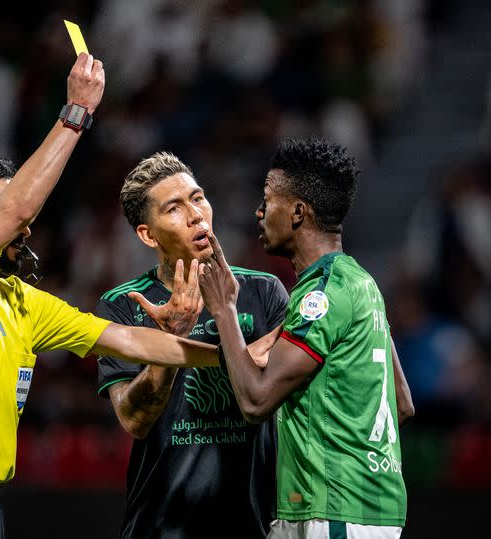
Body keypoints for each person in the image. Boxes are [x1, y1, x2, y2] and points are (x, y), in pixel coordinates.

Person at [0, 54, 227, 539]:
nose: (29, 225)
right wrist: (76, 112)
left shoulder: (22, 302)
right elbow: (19, 210)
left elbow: (130, 343)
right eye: (7, 208)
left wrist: (237, 359)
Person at [198, 138, 414, 539]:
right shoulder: (360, 282)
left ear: (298, 212)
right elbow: (401, 400)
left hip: (334, 509)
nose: (259, 212)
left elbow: (256, 400)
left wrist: (224, 311)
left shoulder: (323, 294)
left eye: (267, 200)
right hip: (352, 506)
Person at [95, 152, 289, 538]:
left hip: (254, 524)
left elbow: (287, 383)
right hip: (160, 525)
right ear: (148, 234)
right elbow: (134, 421)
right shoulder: (122, 304)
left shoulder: (264, 292)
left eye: (198, 198)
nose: (196, 214)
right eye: (174, 208)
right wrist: (170, 342)